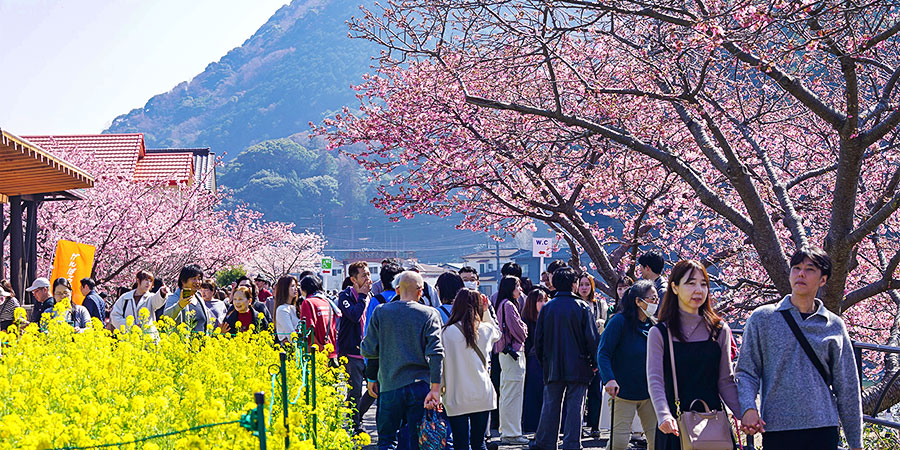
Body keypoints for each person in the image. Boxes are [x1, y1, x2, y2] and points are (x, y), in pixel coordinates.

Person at [737, 248, 862, 450]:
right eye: (796, 268)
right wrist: (749, 408)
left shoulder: (833, 325)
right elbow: (746, 371)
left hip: (823, 426)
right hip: (778, 426)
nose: (801, 274)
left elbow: (847, 387)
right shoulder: (763, 319)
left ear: (823, 280)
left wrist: (856, 443)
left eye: (810, 269)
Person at [646, 260, 740, 450]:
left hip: (713, 423)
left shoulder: (719, 330)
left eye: (703, 284)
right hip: (674, 426)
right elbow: (656, 380)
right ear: (674, 287)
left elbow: (725, 381)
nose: (698, 290)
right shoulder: (660, 333)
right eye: (690, 283)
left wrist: (744, 413)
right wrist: (663, 414)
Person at [360, 271, 443, 450]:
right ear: (421, 291)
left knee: (387, 440)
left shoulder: (381, 312)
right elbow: (436, 353)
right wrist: (436, 388)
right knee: (418, 440)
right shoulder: (429, 314)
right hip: (420, 385)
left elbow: (368, 349)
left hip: (389, 384)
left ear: (397, 290)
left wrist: (372, 378)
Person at [531, 267, 600, 450]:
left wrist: (544, 360)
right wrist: (595, 363)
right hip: (579, 365)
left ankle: (545, 443)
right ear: (573, 284)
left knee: (551, 405)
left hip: (552, 365)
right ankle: (571, 444)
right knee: (575, 408)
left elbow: (538, 341)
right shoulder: (583, 307)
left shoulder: (547, 308)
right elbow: (592, 339)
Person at [597, 279, 658, 450]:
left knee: (657, 441)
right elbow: (603, 353)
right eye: (652, 299)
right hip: (622, 393)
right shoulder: (619, 322)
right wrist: (609, 379)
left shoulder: (653, 324)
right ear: (638, 301)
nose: (656, 303)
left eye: (656, 299)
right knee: (619, 443)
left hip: (648, 394)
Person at [442, 288, 501, 450]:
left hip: (455, 396)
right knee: (479, 443)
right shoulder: (486, 329)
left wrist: (439, 391)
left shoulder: (446, 332)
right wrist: (487, 309)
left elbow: (441, 364)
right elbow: (497, 333)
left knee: (460, 443)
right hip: (482, 394)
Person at [337, 261, 373, 434]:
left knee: (375, 388)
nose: (368, 278)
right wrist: (363, 297)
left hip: (369, 352)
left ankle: (358, 415)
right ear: (353, 279)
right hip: (351, 352)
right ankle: (355, 425)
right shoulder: (345, 296)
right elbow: (353, 315)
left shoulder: (371, 296)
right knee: (355, 391)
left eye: (368, 274)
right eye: (364, 275)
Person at [494, 276, 528, 445]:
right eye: (517, 286)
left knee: (508, 392)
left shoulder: (501, 304)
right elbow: (520, 332)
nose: (520, 290)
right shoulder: (508, 305)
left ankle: (508, 430)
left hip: (505, 354)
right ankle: (512, 433)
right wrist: (525, 328)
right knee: (513, 394)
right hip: (513, 354)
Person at [578, 272, 609, 439]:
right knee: (579, 392)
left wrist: (601, 324)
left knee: (595, 392)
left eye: (587, 284)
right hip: (580, 353)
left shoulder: (599, 305)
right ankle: (579, 425)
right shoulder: (575, 304)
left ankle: (595, 425)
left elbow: (606, 327)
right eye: (581, 284)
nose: (584, 288)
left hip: (596, 351)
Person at [521, 287, 548, 434]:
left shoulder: (547, 318)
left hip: (544, 361)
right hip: (532, 361)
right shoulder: (527, 320)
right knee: (533, 393)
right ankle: (531, 425)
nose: (543, 303)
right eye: (540, 301)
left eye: (545, 300)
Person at [164, 264, 214, 333]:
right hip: (183, 343)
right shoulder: (174, 298)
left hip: (202, 343)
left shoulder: (199, 298)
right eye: (193, 278)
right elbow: (166, 317)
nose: (197, 282)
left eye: (199, 279)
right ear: (183, 280)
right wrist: (179, 306)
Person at [299, 275, 337, 359]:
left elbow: (308, 328)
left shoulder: (308, 302)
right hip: (331, 349)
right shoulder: (327, 302)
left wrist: (317, 346)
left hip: (316, 352)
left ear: (304, 289)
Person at [274, 276, 300, 344]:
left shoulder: (294, 307)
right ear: (284, 288)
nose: (296, 289)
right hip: (290, 349)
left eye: (296, 286)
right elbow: (291, 336)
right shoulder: (282, 310)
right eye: (292, 286)